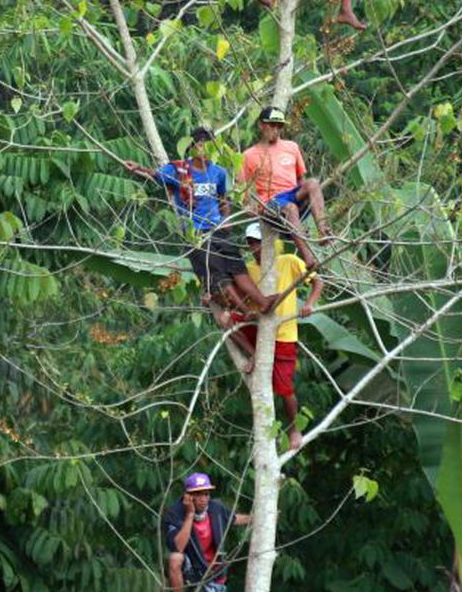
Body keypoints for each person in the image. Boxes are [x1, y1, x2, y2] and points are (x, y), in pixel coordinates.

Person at [125, 127, 276, 314]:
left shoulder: (219, 172)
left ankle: (263, 302)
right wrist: (138, 168)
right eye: (203, 146)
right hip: (196, 233)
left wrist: (226, 219)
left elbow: (223, 198)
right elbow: (155, 174)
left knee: (237, 267)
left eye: (211, 147)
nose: (206, 151)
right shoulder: (179, 170)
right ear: (193, 147)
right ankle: (245, 311)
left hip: (217, 228)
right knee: (217, 273)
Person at [229, 222, 323, 450]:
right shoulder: (248, 269)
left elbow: (318, 281)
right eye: (250, 243)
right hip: (257, 327)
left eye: (258, 243)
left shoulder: (289, 261)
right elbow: (236, 297)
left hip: (284, 333)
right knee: (227, 320)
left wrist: (309, 304)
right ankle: (253, 355)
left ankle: (294, 429)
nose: (254, 248)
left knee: (284, 389)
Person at [164, 473, 251, 592]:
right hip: (191, 568)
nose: (203, 499)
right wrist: (189, 515)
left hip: (214, 573)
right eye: (198, 494)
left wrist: (257, 518)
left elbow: (234, 519)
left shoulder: (216, 508)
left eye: (206, 494)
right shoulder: (175, 513)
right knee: (175, 558)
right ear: (188, 496)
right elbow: (178, 546)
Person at [240, 106, 330, 270]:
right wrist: (248, 206)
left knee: (313, 183)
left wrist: (310, 194)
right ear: (261, 125)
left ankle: (323, 231)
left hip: (292, 195)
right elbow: (242, 190)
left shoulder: (291, 147)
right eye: (272, 125)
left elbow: (300, 180)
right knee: (289, 208)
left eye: (279, 126)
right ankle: (308, 258)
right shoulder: (249, 155)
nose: (276, 130)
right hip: (270, 204)